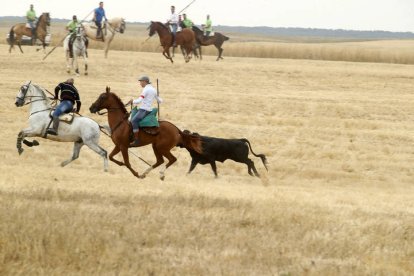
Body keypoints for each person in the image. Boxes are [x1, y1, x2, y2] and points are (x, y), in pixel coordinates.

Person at [127, 75, 163, 146]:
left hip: (143, 110)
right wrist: (158, 95)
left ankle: (136, 140)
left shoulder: (146, 90)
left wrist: (132, 101)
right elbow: (160, 101)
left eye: (141, 82)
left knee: (134, 121)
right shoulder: (153, 89)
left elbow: (139, 100)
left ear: (145, 81)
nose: (140, 83)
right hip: (149, 110)